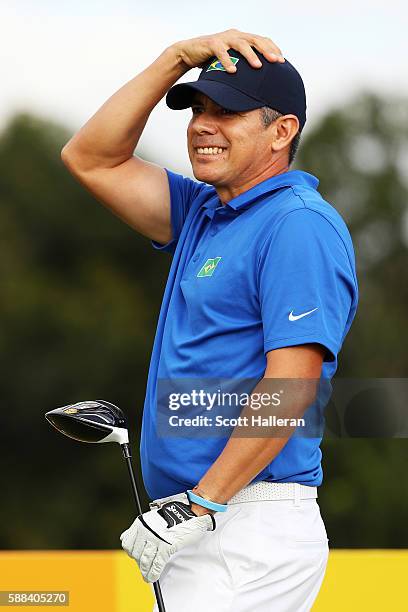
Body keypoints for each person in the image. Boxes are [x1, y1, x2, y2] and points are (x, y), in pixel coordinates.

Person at [61, 29, 358, 612]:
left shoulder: (298, 223)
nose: (202, 124)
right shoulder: (205, 211)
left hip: (244, 522)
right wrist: (174, 59)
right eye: (197, 107)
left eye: (227, 111)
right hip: (208, 521)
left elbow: (293, 384)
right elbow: (89, 157)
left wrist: (200, 504)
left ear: (282, 131)